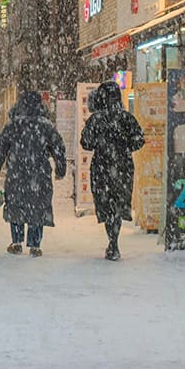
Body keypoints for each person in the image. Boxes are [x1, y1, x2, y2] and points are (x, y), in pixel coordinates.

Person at [0, 91, 66, 257]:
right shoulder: (46, 126)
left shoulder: (12, 125)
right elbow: (58, 148)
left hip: (17, 173)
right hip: (40, 174)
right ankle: (35, 245)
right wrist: (60, 169)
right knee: (37, 206)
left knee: (16, 206)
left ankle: (16, 242)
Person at [80, 81, 144, 261]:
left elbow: (86, 142)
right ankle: (114, 239)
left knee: (106, 203)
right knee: (117, 203)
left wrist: (102, 145)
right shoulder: (127, 118)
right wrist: (124, 147)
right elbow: (139, 140)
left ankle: (112, 241)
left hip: (101, 167)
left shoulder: (96, 119)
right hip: (123, 166)